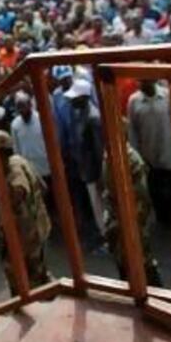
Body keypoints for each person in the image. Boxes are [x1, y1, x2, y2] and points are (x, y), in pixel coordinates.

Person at [0, 130, 52, 295]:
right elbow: (43, 187)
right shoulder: (20, 160)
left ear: (0, 154)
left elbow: (19, 190)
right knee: (39, 277)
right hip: (35, 231)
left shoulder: (12, 172)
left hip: (25, 240)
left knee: (28, 285)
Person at [101, 141, 163, 286]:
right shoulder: (124, 157)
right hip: (126, 225)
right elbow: (141, 196)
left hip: (123, 224)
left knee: (133, 267)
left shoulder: (116, 156)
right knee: (138, 268)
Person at [127, 80, 171, 225]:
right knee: (155, 190)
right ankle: (163, 219)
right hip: (149, 153)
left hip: (169, 150)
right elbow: (133, 129)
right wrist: (136, 154)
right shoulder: (133, 101)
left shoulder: (167, 95)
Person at [64, 78, 105, 248]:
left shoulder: (93, 118)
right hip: (86, 169)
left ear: (84, 98)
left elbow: (98, 150)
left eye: (75, 98)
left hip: (94, 172)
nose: (71, 101)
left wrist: (100, 176)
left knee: (100, 207)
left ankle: (107, 238)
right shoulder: (81, 113)